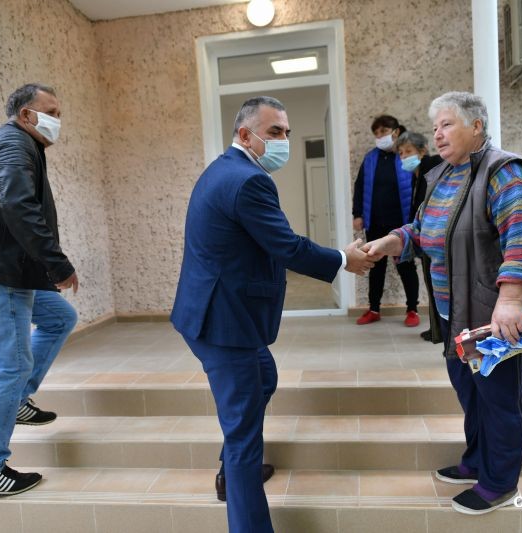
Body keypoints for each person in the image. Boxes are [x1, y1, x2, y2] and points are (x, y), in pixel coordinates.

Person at [171, 96, 373, 532]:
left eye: (286, 132)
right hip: (222, 322)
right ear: (245, 135)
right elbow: (287, 246)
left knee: (265, 376)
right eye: (275, 132)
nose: (284, 140)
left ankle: (233, 470)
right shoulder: (248, 181)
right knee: (244, 435)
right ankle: (242, 499)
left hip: (214, 311)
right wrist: (344, 259)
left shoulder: (224, 169)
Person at [363, 91, 522, 515]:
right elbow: (422, 230)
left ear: (476, 126)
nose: (437, 134)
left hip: (493, 316)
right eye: (434, 126)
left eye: (447, 124)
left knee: (500, 399)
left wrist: (511, 299)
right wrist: (390, 241)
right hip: (456, 315)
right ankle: (476, 461)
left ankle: (499, 482)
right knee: (471, 393)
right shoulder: (443, 176)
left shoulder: (505, 172)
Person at [0, 83, 79, 497]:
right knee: (8, 368)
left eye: (59, 113)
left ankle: (18, 400)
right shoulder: (13, 145)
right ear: (26, 115)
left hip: (9, 274)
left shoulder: (22, 145)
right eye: (51, 112)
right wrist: (57, 264)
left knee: (59, 317)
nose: (57, 120)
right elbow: (18, 206)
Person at [352, 115, 421, 327]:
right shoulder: (370, 158)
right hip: (375, 222)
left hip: (401, 224)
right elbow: (359, 186)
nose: (380, 136)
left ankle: (412, 310)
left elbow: (419, 187)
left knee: (406, 267)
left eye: (383, 131)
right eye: (376, 133)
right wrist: (357, 214)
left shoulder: (406, 157)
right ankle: (374, 309)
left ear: (396, 131)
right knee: (375, 267)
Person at [394, 131, 444, 343]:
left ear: (422, 151)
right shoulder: (417, 174)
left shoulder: (432, 166)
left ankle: (440, 330)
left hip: (435, 237)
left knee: (437, 286)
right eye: (401, 153)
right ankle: (436, 328)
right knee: (431, 284)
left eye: (408, 151)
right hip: (425, 237)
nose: (404, 156)